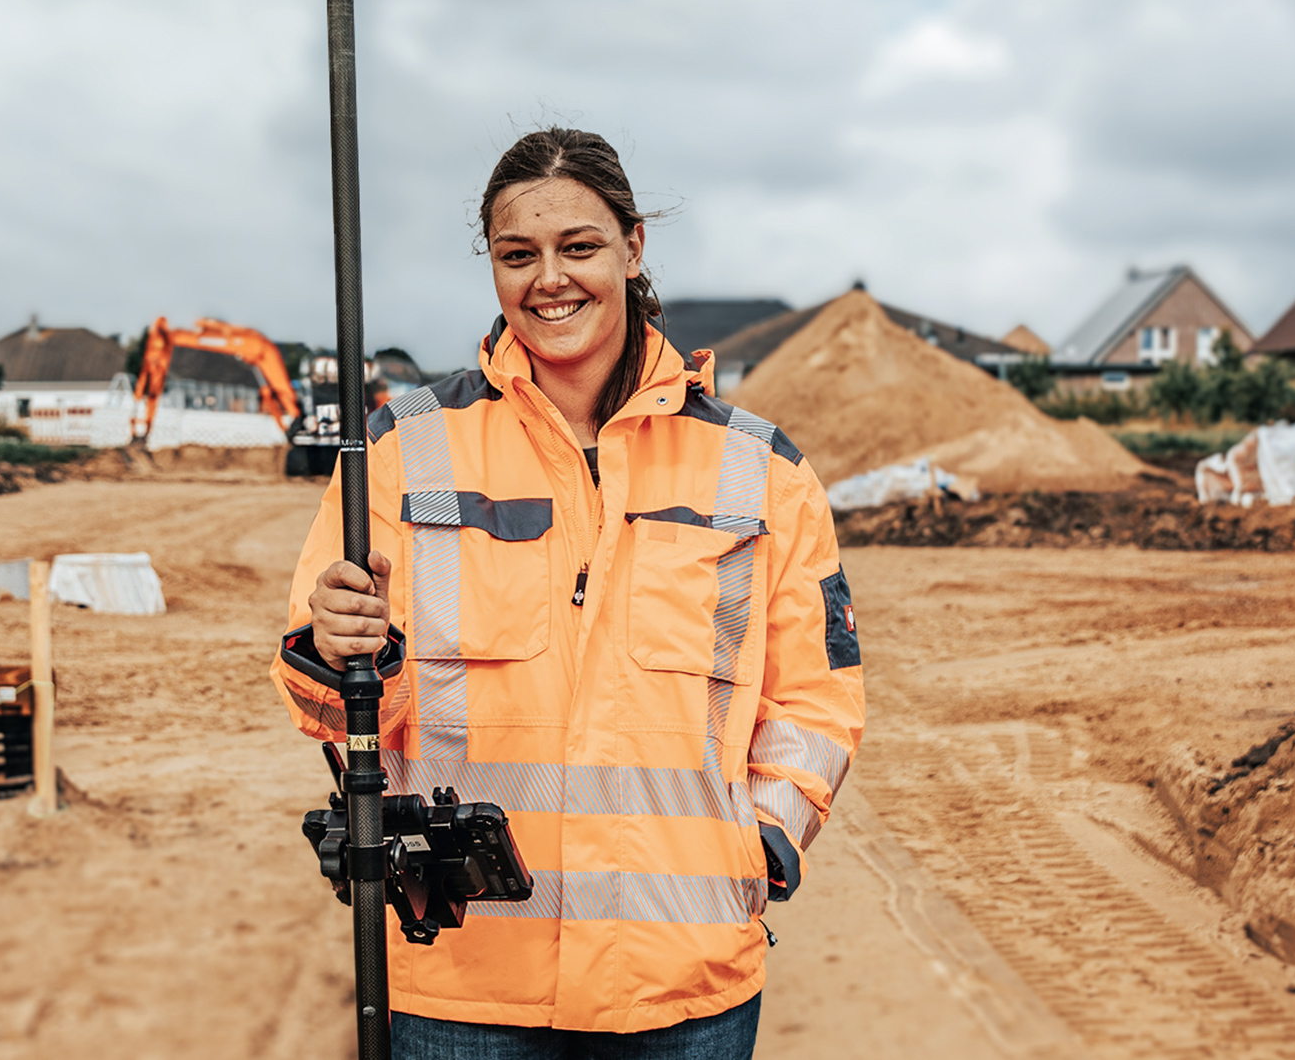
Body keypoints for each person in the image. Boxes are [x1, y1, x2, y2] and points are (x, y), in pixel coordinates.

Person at [273, 128, 866, 1057]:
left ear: (632, 247)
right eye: (519, 255)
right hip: (463, 977)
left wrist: (762, 845)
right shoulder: (404, 449)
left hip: (681, 979)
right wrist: (341, 649)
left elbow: (816, 699)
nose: (549, 278)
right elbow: (333, 707)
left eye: (578, 246)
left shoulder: (759, 471)